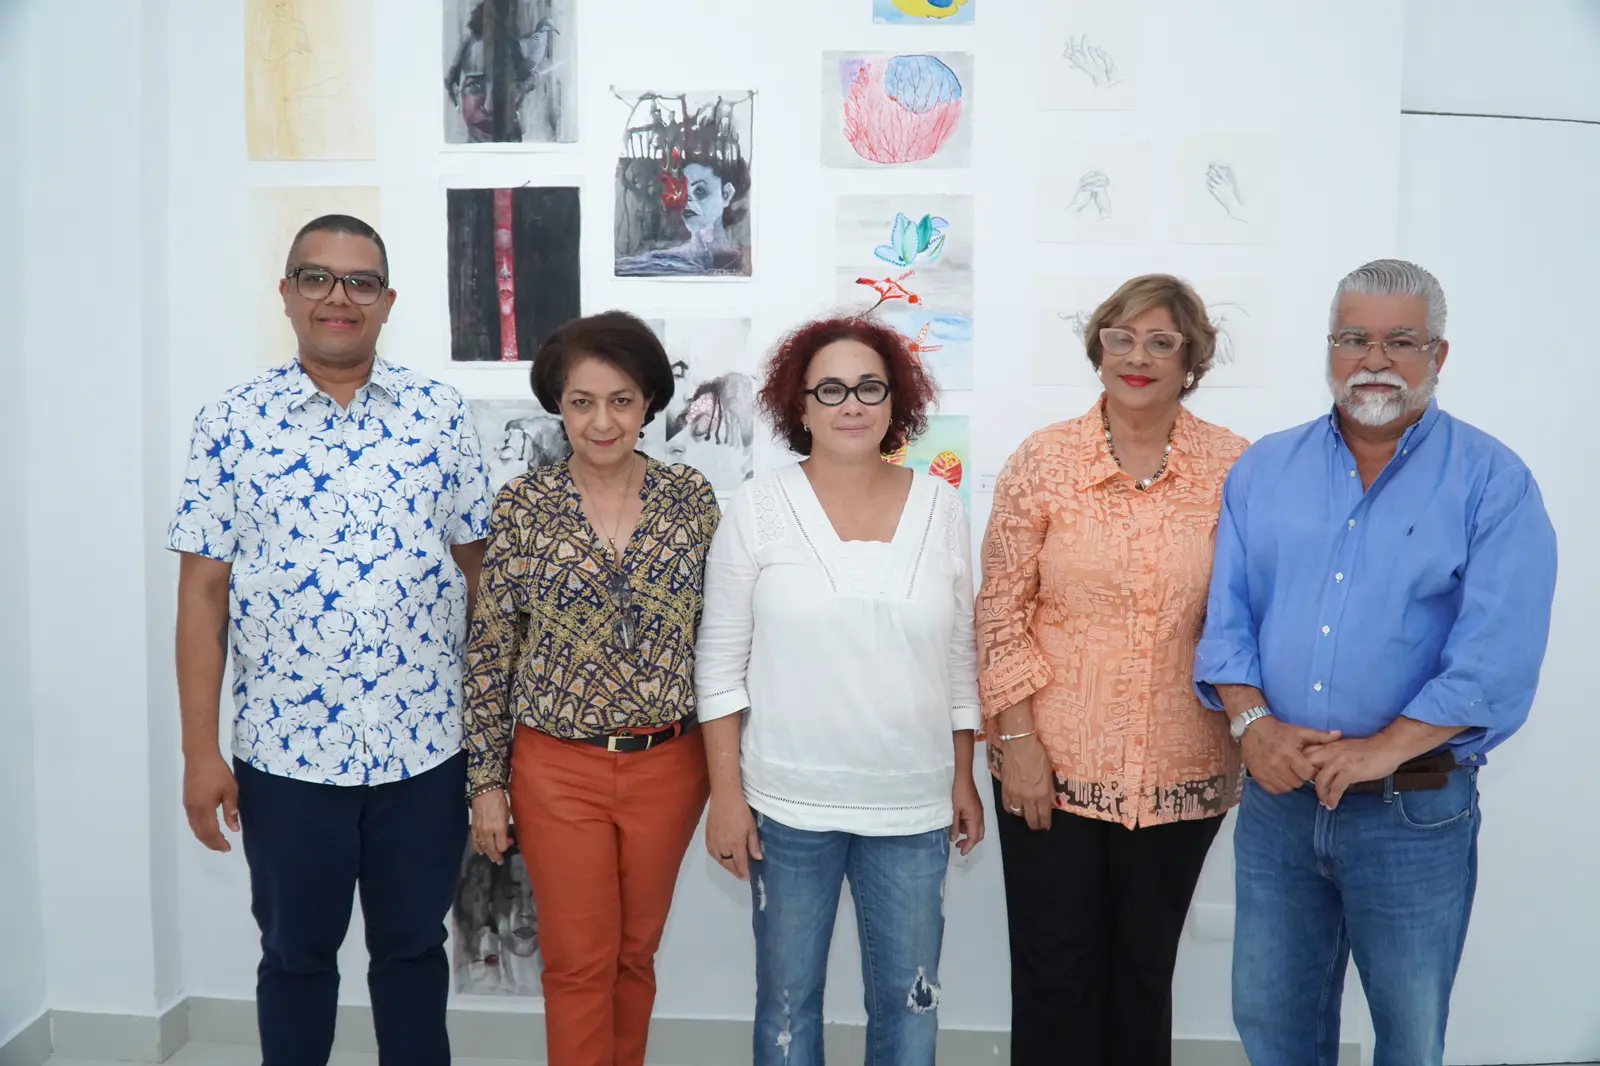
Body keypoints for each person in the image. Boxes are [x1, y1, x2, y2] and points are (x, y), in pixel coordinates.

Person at [1194, 259, 1558, 1066]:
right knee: (1272, 1023)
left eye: (1401, 341)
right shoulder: (1265, 470)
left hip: (1413, 812)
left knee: (1407, 1031)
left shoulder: (1493, 482)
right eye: (1354, 338)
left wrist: (1379, 750)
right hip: (1279, 809)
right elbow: (1227, 623)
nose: (1375, 359)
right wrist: (1252, 728)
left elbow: (1495, 655)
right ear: (1329, 347)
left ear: (1440, 354)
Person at [170, 214, 492, 1066]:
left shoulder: (440, 416)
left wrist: (492, 743)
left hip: (424, 756)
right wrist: (202, 754)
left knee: (415, 956)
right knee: (295, 960)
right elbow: (203, 596)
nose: (337, 297)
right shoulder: (231, 424)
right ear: (287, 294)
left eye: (358, 281)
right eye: (316, 278)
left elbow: (482, 580)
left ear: (387, 301)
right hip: (286, 762)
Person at [694, 315, 985, 1066]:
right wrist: (727, 798)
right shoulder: (758, 509)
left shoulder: (941, 508)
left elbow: (959, 661)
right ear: (801, 404)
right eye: (830, 389)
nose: (850, 403)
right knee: (786, 1008)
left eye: (868, 387)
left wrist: (962, 777)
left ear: (897, 403)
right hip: (788, 808)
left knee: (909, 1007)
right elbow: (719, 670)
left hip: (913, 807)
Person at [976, 274, 1249, 1065]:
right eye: (1122, 337)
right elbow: (999, 609)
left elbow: (1248, 613)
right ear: (1098, 347)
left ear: (1190, 360)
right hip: (1049, 768)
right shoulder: (1044, 461)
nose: (1138, 356)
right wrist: (1017, 739)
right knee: (1056, 977)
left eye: (1162, 341)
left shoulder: (1236, 469)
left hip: (1183, 772)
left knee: (1143, 976)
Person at [462, 311, 721, 1066]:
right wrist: (486, 782)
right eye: (581, 401)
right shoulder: (523, 505)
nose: (601, 421)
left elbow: (720, 637)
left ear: (648, 403)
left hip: (671, 765)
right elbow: (490, 651)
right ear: (558, 405)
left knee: (634, 958)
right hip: (556, 770)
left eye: (621, 400)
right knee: (578, 964)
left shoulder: (690, 499)